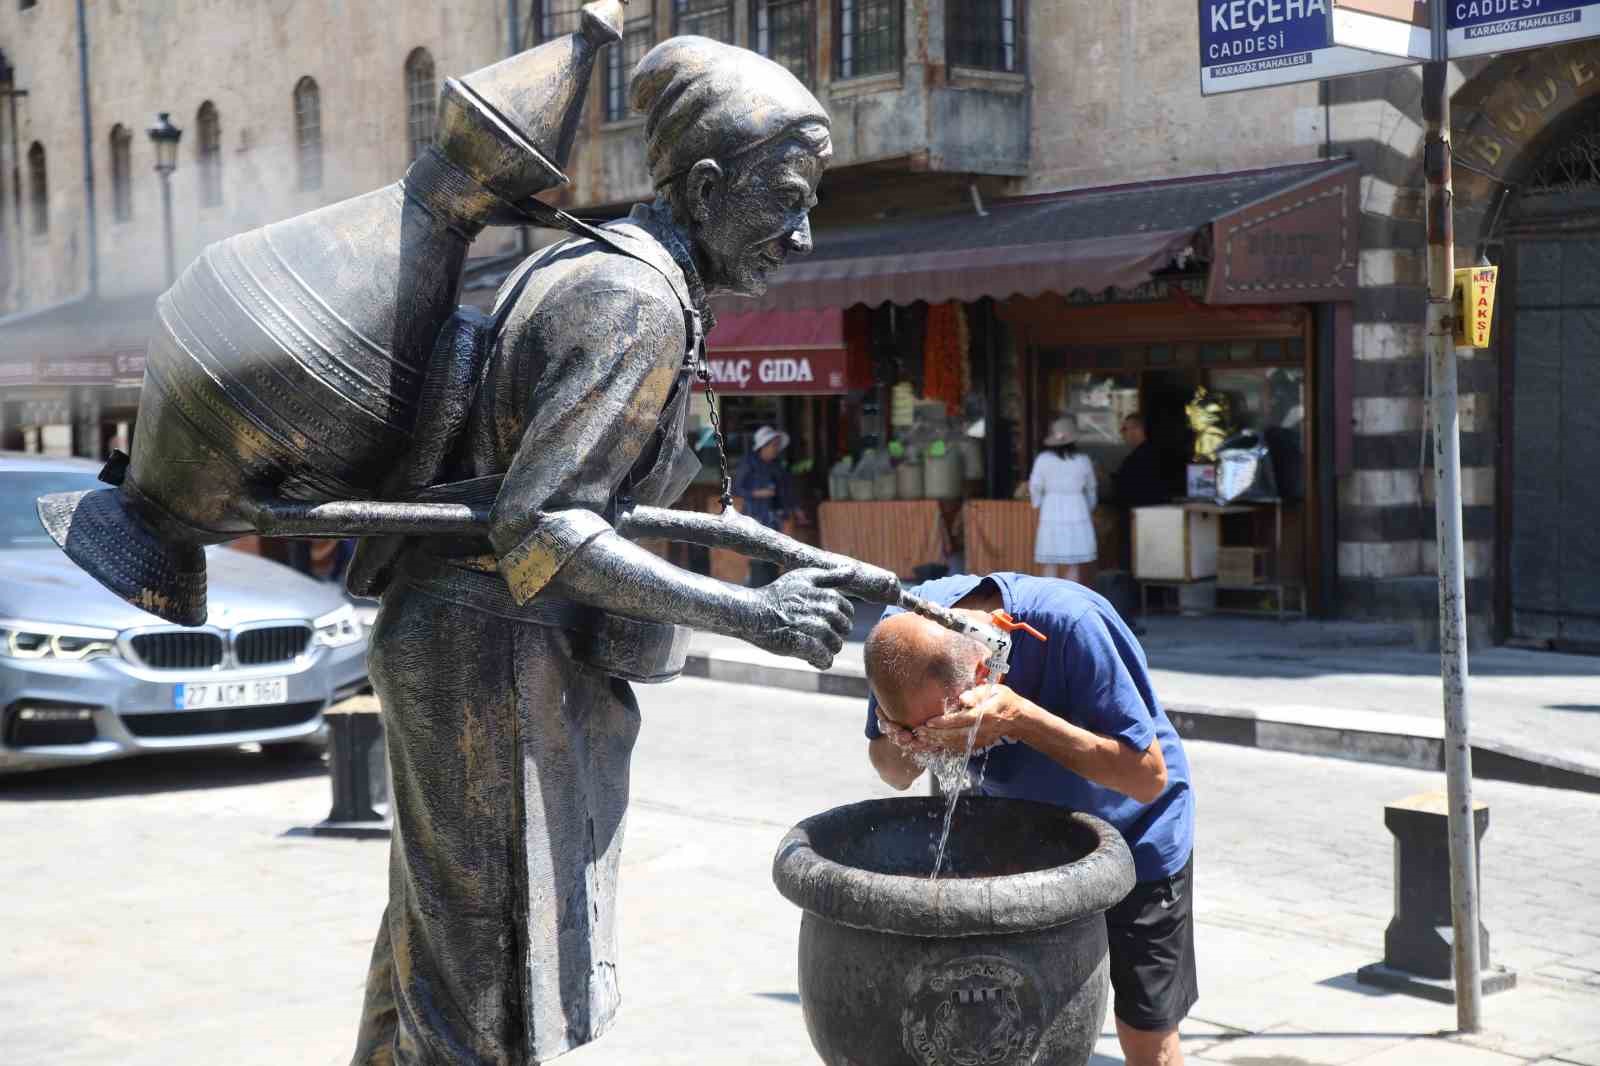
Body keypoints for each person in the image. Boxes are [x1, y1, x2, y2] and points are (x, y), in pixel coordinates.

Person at [351, 39, 857, 1065]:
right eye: (787, 201)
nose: (803, 236)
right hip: (488, 653)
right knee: (486, 986)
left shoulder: (600, 266)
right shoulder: (632, 302)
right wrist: (752, 613)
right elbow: (543, 523)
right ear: (708, 187)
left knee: (436, 959)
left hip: (476, 644)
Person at [863, 572, 1197, 1066]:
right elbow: (894, 774)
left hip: (1136, 836)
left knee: (1146, 1027)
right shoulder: (903, 639)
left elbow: (1147, 777)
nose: (940, 741)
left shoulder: (1072, 624)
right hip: (1025, 840)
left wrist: (1023, 720)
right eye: (921, 727)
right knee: (1012, 1016)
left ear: (984, 674)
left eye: (948, 724)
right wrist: (907, 740)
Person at [1028, 416, 1098, 582]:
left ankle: (1048, 602)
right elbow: (1091, 488)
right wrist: (1089, 506)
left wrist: (1037, 502)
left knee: (1050, 562)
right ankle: (1070, 602)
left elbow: (1035, 486)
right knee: (1073, 563)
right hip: (1077, 508)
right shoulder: (1083, 461)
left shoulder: (1043, 460)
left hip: (1051, 509)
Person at [733, 424, 793, 586]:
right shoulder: (749, 463)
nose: (776, 449)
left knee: (773, 554)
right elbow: (736, 488)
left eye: (777, 446)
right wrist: (757, 493)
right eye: (773, 445)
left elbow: (784, 490)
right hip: (755, 514)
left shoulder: (776, 465)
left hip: (773, 516)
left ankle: (771, 591)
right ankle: (757, 590)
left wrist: (788, 510)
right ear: (763, 446)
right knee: (758, 552)